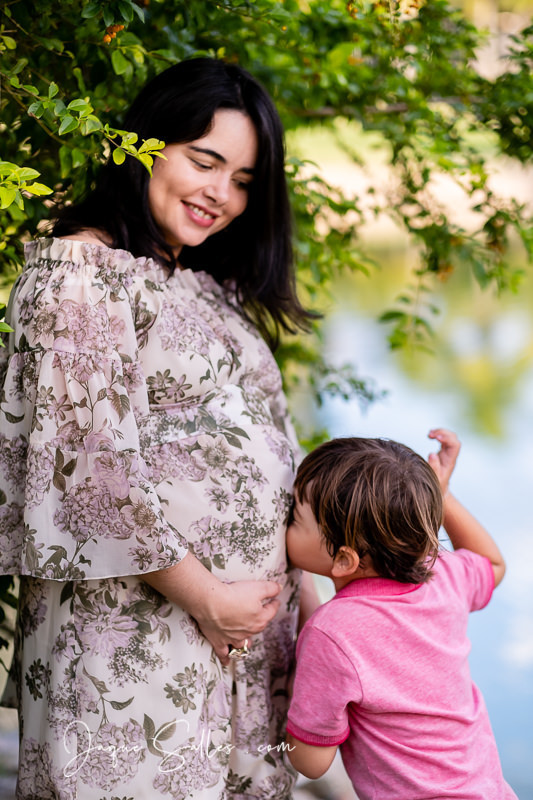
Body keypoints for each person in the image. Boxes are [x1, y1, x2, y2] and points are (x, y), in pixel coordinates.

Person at [0, 57, 318, 799]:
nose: (222, 195)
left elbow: (273, 450)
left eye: (243, 180)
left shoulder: (207, 289)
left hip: (237, 647)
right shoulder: (80, 272)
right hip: (137, 634)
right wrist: (208, 597)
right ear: (142, 145)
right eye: (204, 162)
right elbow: (81, 469)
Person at [285, 428, 518, 800]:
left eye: (294, 517)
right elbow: (493, 566)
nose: (283, 524)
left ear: (344, 559)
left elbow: (310, 762)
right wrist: (444, 496)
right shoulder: (441, 573)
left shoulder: (330, 633)